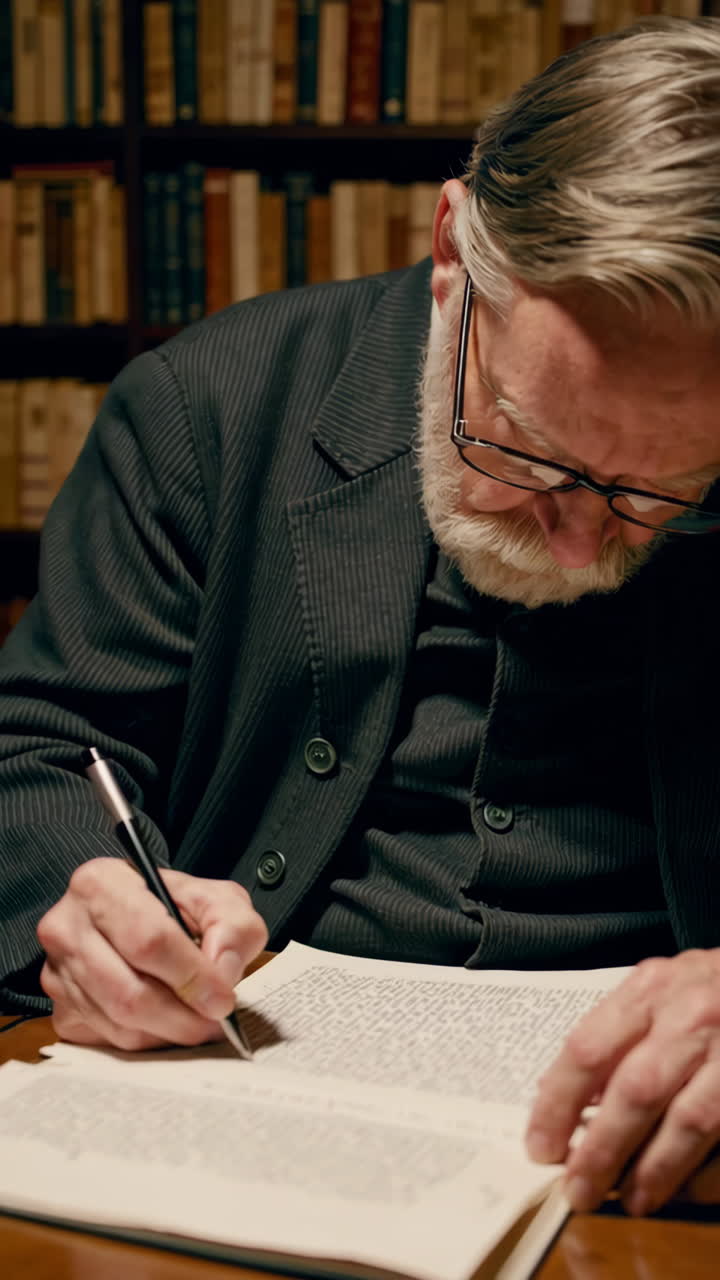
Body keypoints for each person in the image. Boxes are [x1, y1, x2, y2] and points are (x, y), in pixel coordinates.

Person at [1, 14, 720, 1218]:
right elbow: (34, 748)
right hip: (249, 1115)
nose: (586, 543)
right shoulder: (210, 408)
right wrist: (92, 900)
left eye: (660, 491)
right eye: (528, 450)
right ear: (452, 253)